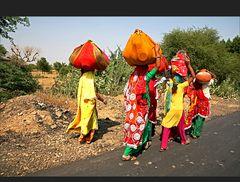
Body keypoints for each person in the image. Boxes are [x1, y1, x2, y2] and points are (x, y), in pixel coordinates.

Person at [122, 44, 162, 161]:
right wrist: (157, 52)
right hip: (141, 107)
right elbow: (158, 66)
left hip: (131, 108)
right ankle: (128, 152)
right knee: (139, 127)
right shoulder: (146, 77)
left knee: (134, 127)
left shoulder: (132, 77)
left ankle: (139, 147)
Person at [160, 58, 195, 151]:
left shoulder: (168, 85)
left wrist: (171, 71)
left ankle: (163, 146)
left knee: (166, 127)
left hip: (170, 109)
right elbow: (193, 76)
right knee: (180, 126)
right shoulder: (181, 86)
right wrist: (188, 65)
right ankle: (183, 140)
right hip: (179, 110)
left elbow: (167, 77)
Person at [66, 69, 107, 144]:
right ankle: (86, 136)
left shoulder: (82, 78)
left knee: (84, 118)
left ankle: (83, 135)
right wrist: (103, 100)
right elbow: (95, 93)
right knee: (91, 119)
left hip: (82, 103)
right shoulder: (90, 79)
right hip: (90, 103)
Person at [190, 69, 216, 138]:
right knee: (201, 118)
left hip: (196, 101)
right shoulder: (208, 82)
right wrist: (208, 72)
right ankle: (196, 133)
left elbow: (193, 79)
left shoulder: (195, 81)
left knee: (195, 117)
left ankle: (192, 131)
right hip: (204, 102)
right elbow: (214, 77)